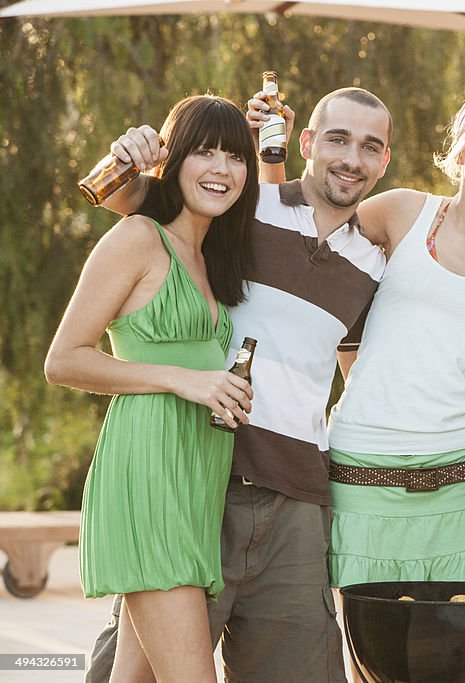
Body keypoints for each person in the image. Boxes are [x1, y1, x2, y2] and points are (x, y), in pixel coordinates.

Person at [83, 86, 393, 682]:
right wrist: (127, 154)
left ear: (384, 161)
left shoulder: (374, 265)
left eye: (370, 146)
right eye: (337, 138)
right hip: (200, 481)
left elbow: (363, 376)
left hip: (297, 504)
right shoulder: (239, 206)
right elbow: (133, 201)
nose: (352, 157)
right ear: (305, 142)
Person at [44, 95, 259, 682]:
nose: (221, 168)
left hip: (196, 483)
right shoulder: (139, 237)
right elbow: (63, 361)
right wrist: (185, 379)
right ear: (173, 159)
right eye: (205, 152)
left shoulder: (210, 254)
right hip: (148, 475)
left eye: (235, 156)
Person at [319, 83, 465, 586]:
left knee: (461, 648)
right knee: (371, 647)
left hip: (462, 475)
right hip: (362, 463)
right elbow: (311, 245)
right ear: (460, 150)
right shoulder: (400, 211)